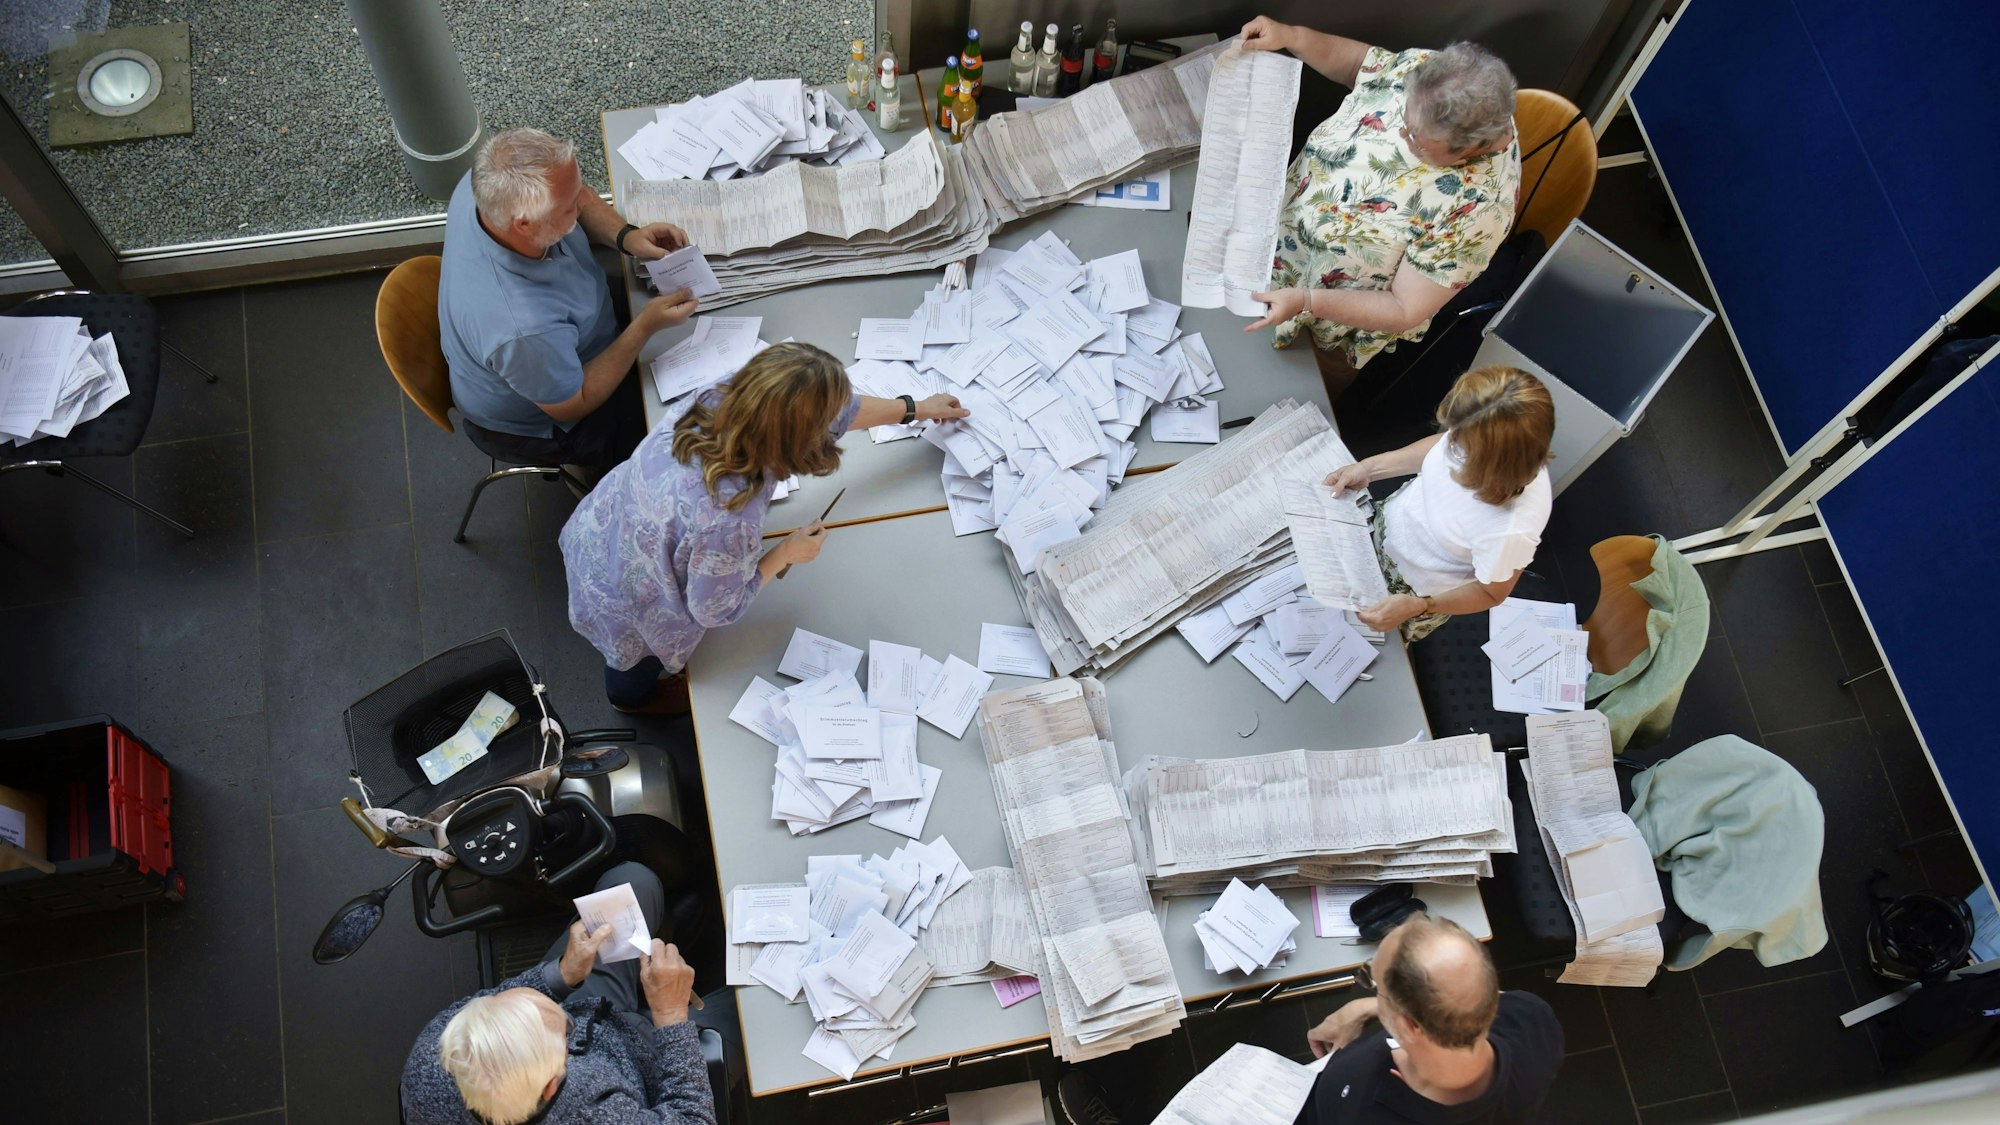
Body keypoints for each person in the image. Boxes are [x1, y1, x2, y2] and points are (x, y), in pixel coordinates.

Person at [559, 341, 968, 713]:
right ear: (798, 443)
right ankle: (630, 699)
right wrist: (784, 554)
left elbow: (840, 408)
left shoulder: (726, 393)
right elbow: (714, 609)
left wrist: (915, 408)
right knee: (632, 667)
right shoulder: (729, 517)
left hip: (601, 530)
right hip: (632, 603)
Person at [1237, 17, 1522, 402]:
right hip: (1266, 255)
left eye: (1417, 140)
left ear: (1470, 149)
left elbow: (1405, 308)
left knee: (1257, 398)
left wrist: (1306, 301)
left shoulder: (1480, 209)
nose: (1403, 135)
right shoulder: (1435, 78)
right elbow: (1361, 66)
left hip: (1320, 322)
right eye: (1404, 118)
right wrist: (1293, 37)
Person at [440, 126, 698, 469]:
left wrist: (627, 237)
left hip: (573, 333)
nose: (588, 201)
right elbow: (575, 402)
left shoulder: (483, 189)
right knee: (684, 441)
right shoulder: (522, 328)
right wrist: (643, 327)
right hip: (560, 416)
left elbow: (573, 193)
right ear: (525, 225)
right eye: (571, 207)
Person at [400, 862, 714, 1124]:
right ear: (551, 1086)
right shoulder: (595, 1117)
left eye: (521, 1001)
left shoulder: (431, 1056)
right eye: (566, 1031)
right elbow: (693, 1119)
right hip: (642, 1062)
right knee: (745, 1019)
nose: (552, 1003)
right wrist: (671, 1018)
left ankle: (667, 929)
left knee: (633, 883)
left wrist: (562, 975)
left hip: (603, 1027)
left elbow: (508, 994)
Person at [1326, 365, 1553, 641]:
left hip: (1412, 593)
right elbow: (1440, 446)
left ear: (1488, 462)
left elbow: (1490, 592)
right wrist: (1369, 468)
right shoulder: (1475, 433)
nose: (1450, 442)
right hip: (1383, 532)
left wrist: (1423, 606)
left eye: (1460, 442)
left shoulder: (1511, 529)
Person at [1296, 914, 1564, 1124]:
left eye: (1373, 983)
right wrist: (1370, 1007)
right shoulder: (1532, 1018)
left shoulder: (1360, 1104)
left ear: (1410, 1026)